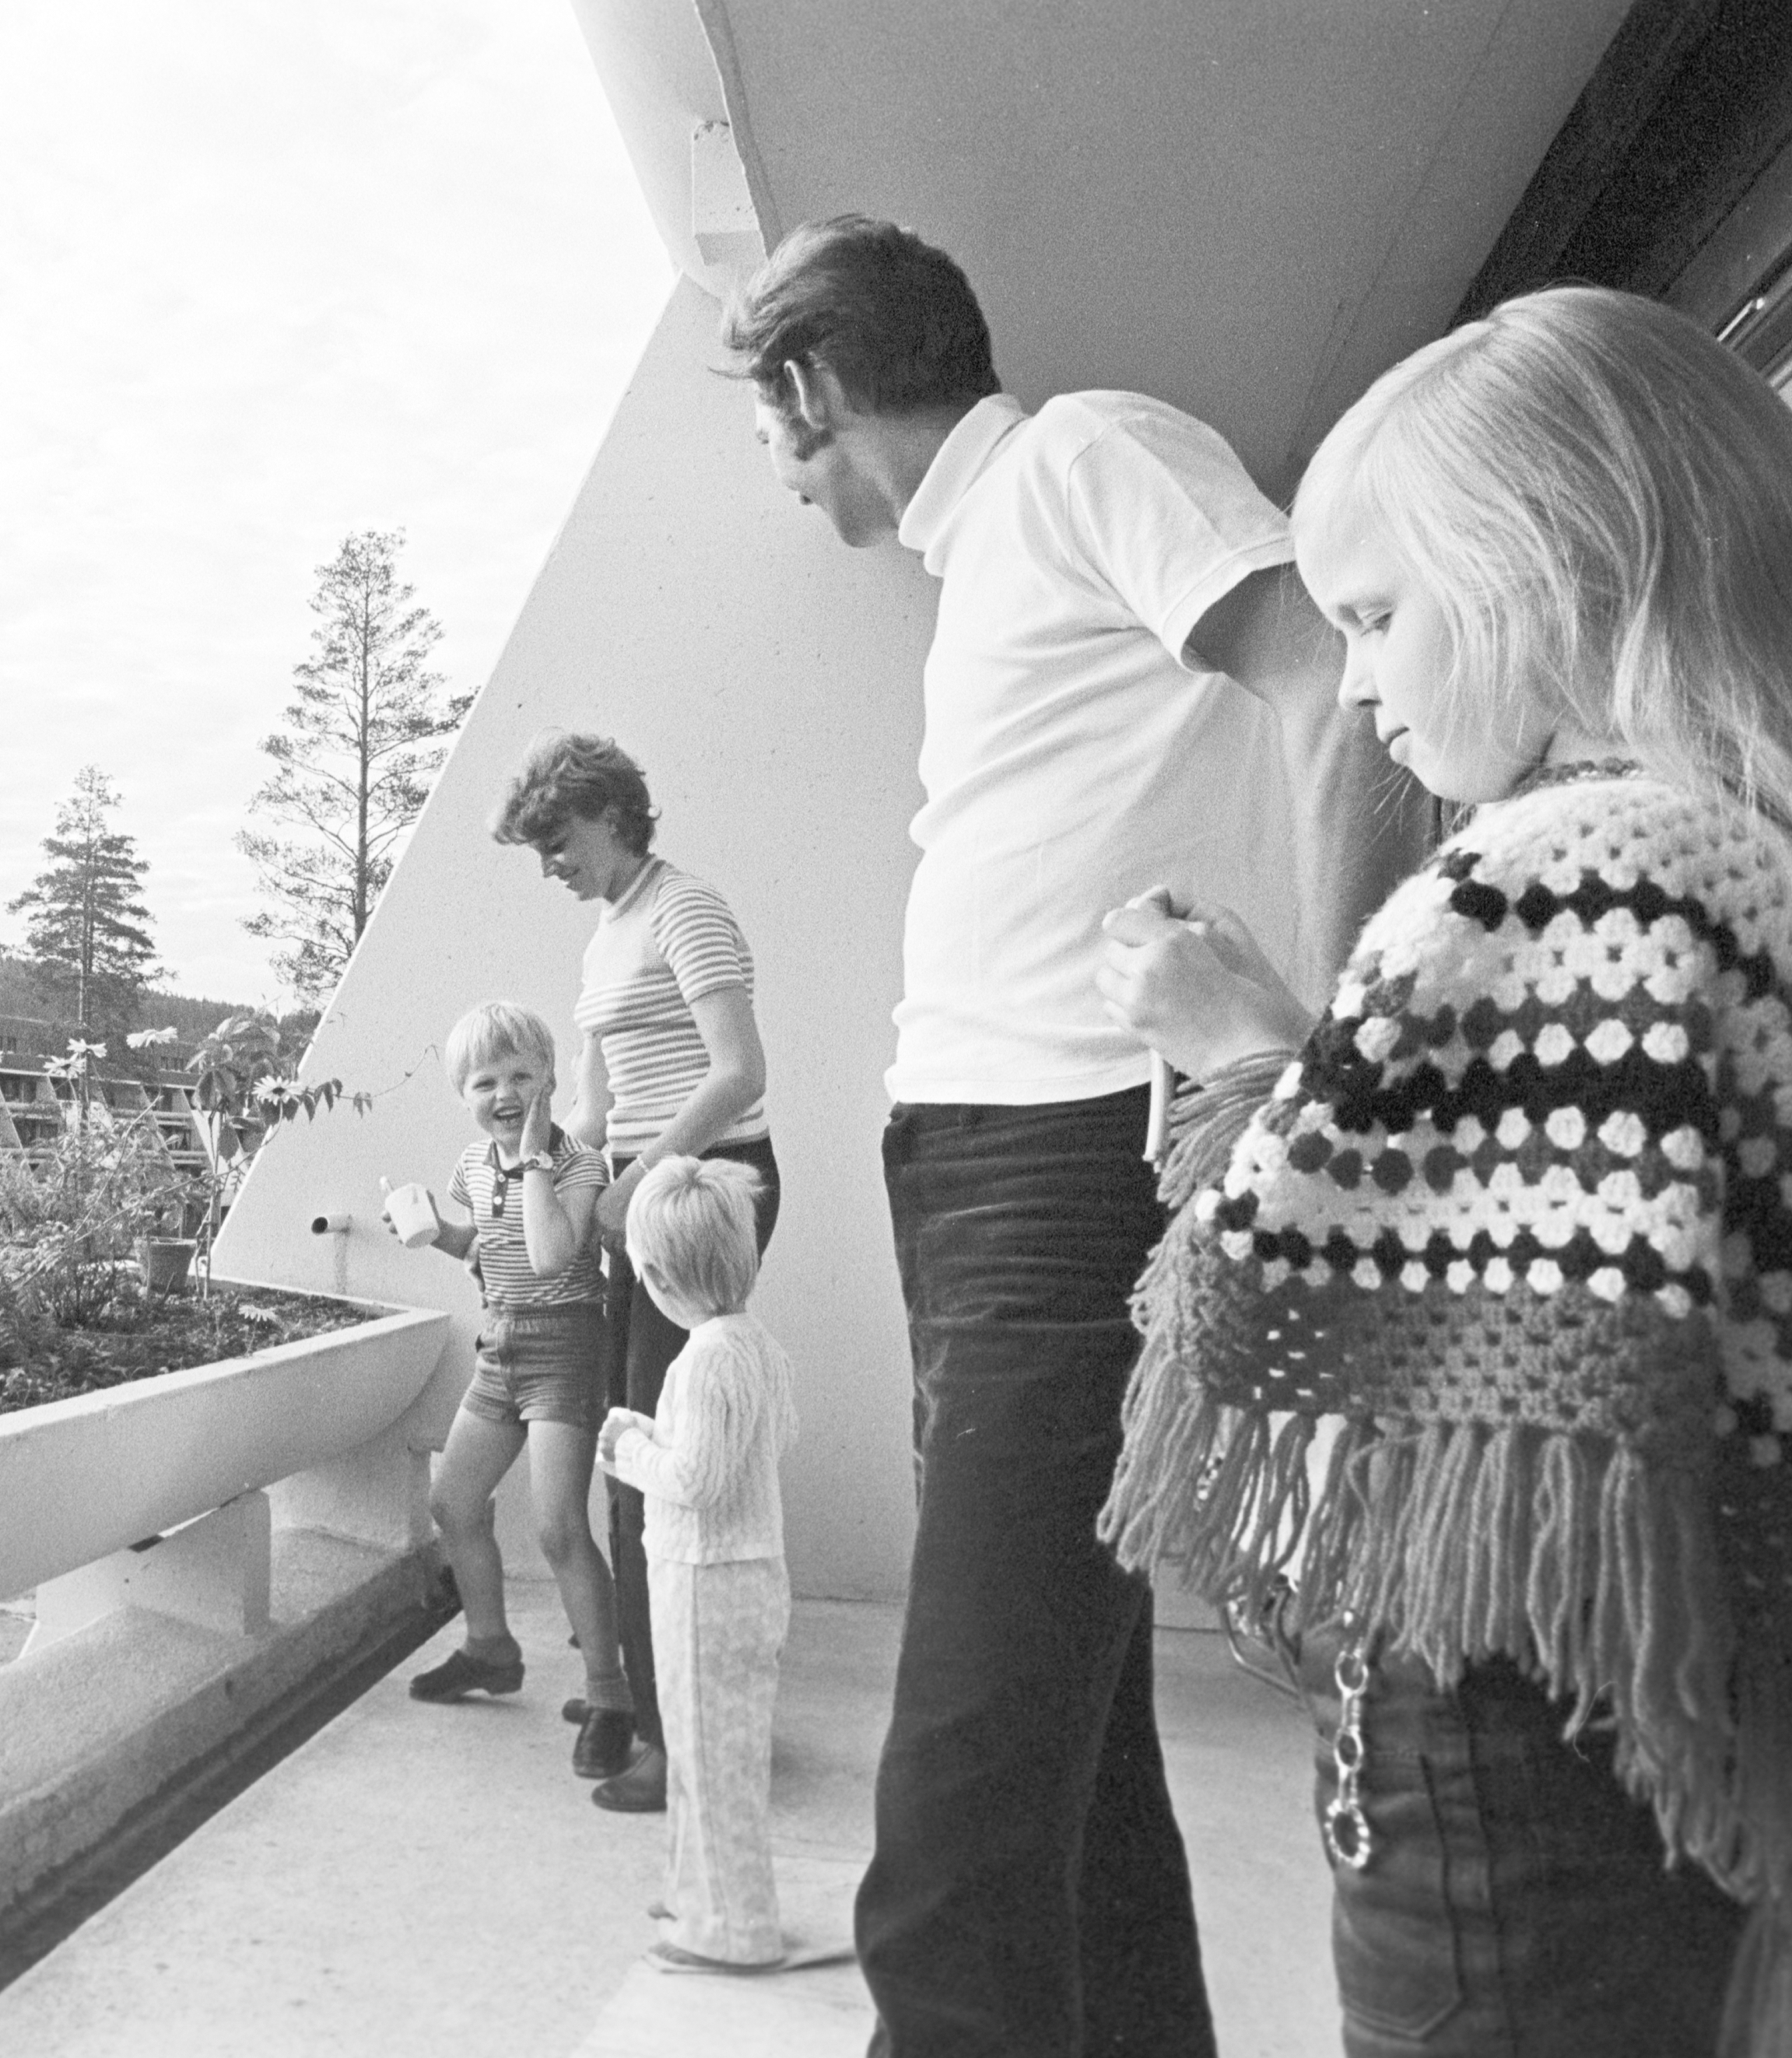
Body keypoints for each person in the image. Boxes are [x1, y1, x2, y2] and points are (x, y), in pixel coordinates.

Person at [717, 213, 1423, 2055]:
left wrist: (1340, 1056)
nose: (779, 479)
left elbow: (1332, 687)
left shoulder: (1081, 451)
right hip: (973, 1167)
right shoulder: (991, 555)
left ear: (808, 387)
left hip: (1069, 1166)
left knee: (953, 1816)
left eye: (767, 430)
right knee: (1072, 1773)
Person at [1096, 283, 1792, 2055]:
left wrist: (1243, 1051)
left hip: (1514, 1707)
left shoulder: (1563, 870)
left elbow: (1344, 1295)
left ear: (1549, 567)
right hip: (1698, 1684)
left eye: (1382, 613)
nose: (1363, 681)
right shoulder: (1744, 857)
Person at [492, 731, 777, 1814]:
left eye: (556, 843)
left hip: (706, 1193)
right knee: (626, 1453)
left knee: (665, 1459)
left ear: (609, 815)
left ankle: (677, 1737)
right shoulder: (605, 939)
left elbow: (741, 1072)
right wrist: (536, 1163)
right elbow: (599, 1110)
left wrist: (634, 1186)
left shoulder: (685, 910)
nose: (549, 867)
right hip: (636, 1200)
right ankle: (650, 1698)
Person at [384, 1000, 636, 1783]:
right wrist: (431, 1230)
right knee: (453, 1504)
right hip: (501, 1342)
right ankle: (489, 1646)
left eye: (522, 1075)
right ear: (464, 1093)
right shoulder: (471, 1164)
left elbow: (556, 1251)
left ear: (551, 1081)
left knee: (561, 1527)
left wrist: (532, 1160)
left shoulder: (581, 1163)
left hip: (565, 1342)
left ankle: (610, 1695)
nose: (505, 1092)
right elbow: (489, 1248)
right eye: (485, 1080)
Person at [598, 1155, 799, 1973]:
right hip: (739, 1575)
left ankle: (733, 1930)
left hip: (705, 1580)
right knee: (706, 1746)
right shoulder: (752, 1343)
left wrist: (629, 1446)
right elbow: (767, 1443)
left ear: (651, 1274)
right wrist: (659, 1434)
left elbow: (695, 1482)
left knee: (710, 1758)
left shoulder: (704, 1358)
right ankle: (695, 1891)